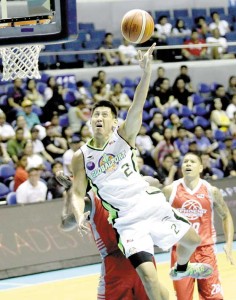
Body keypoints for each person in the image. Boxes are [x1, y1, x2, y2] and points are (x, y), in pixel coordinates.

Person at [69, 44, 213, 300]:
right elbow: (78, 192)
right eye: (95, 115)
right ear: (90, 121)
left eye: (105, 114)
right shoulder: (81, 157)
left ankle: (181, 268)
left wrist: (146, 72)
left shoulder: (124, 137)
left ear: (114, 122)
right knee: (149, 278)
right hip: (127, 222)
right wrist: (80, 214)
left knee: (192, 240)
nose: (99, 118)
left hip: (151, 206)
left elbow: (138, 104)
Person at [162, 152, 235, 299]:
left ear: (201, 168)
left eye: (192, 162)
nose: (188, 164)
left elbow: (226, 216)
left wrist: (228, 243)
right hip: (181, 253)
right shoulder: (171, 190)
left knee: (214, 297)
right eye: (185, 161)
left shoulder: (211, 190)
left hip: (205, 251)